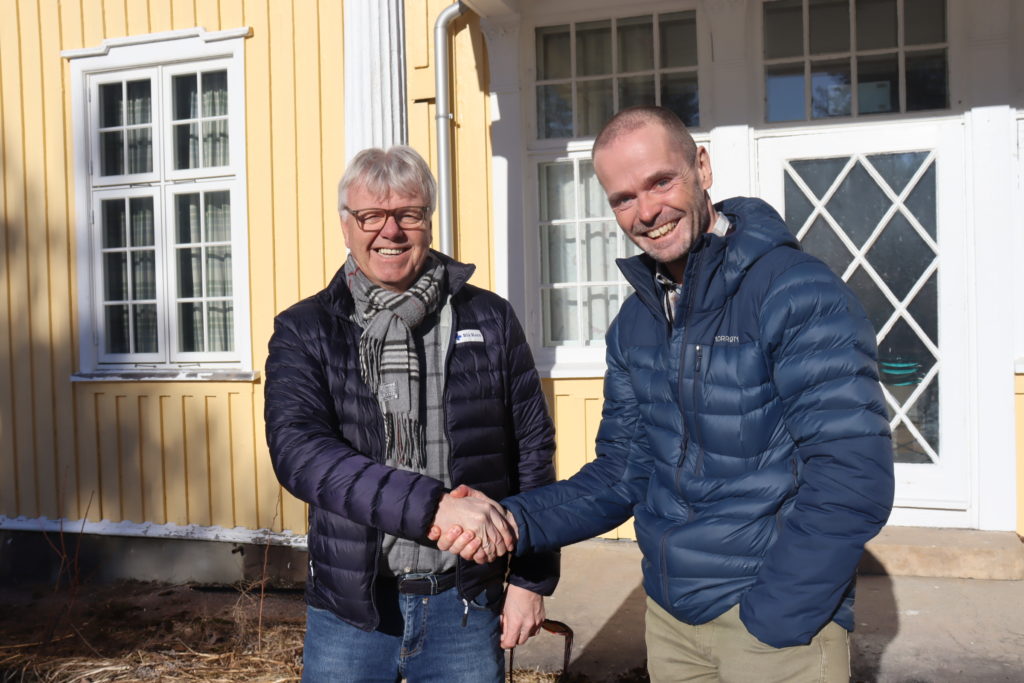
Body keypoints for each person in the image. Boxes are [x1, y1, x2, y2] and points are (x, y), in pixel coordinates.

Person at [433, 106, 894, 682]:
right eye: (623, 198)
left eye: (660, 181)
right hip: (673, 622)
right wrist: (507, 519)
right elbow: (624, 473)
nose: (646, 211)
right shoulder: (637, 321)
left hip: (771, 628)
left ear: (701, 166)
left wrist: (779, 613)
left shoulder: (795, 293)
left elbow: (854, 477)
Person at [265, 145, 558, 683]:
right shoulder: (307, 329)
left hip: (464, 603)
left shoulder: (488, 317)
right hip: (352, 609)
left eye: (408, 214)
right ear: (346, 225)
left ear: (428, 220)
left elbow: (532, 451)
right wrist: (434, 508)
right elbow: (301, 454)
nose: (390, 231)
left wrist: (532, 580)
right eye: (370, 216)